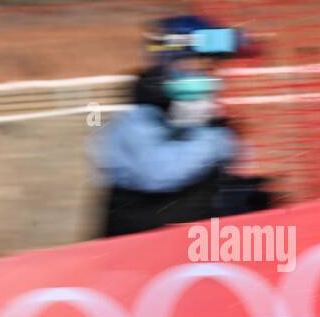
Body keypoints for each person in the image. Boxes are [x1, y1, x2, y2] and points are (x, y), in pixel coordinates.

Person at [94, 14, 273, 237]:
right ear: (171, 64)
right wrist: (218, 141)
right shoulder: (133, 121)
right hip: (136, 258)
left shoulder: (199, 121)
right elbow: (159, 172)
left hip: (188, 253)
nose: (210, 76)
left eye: (211, 67)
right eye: (199, 65)